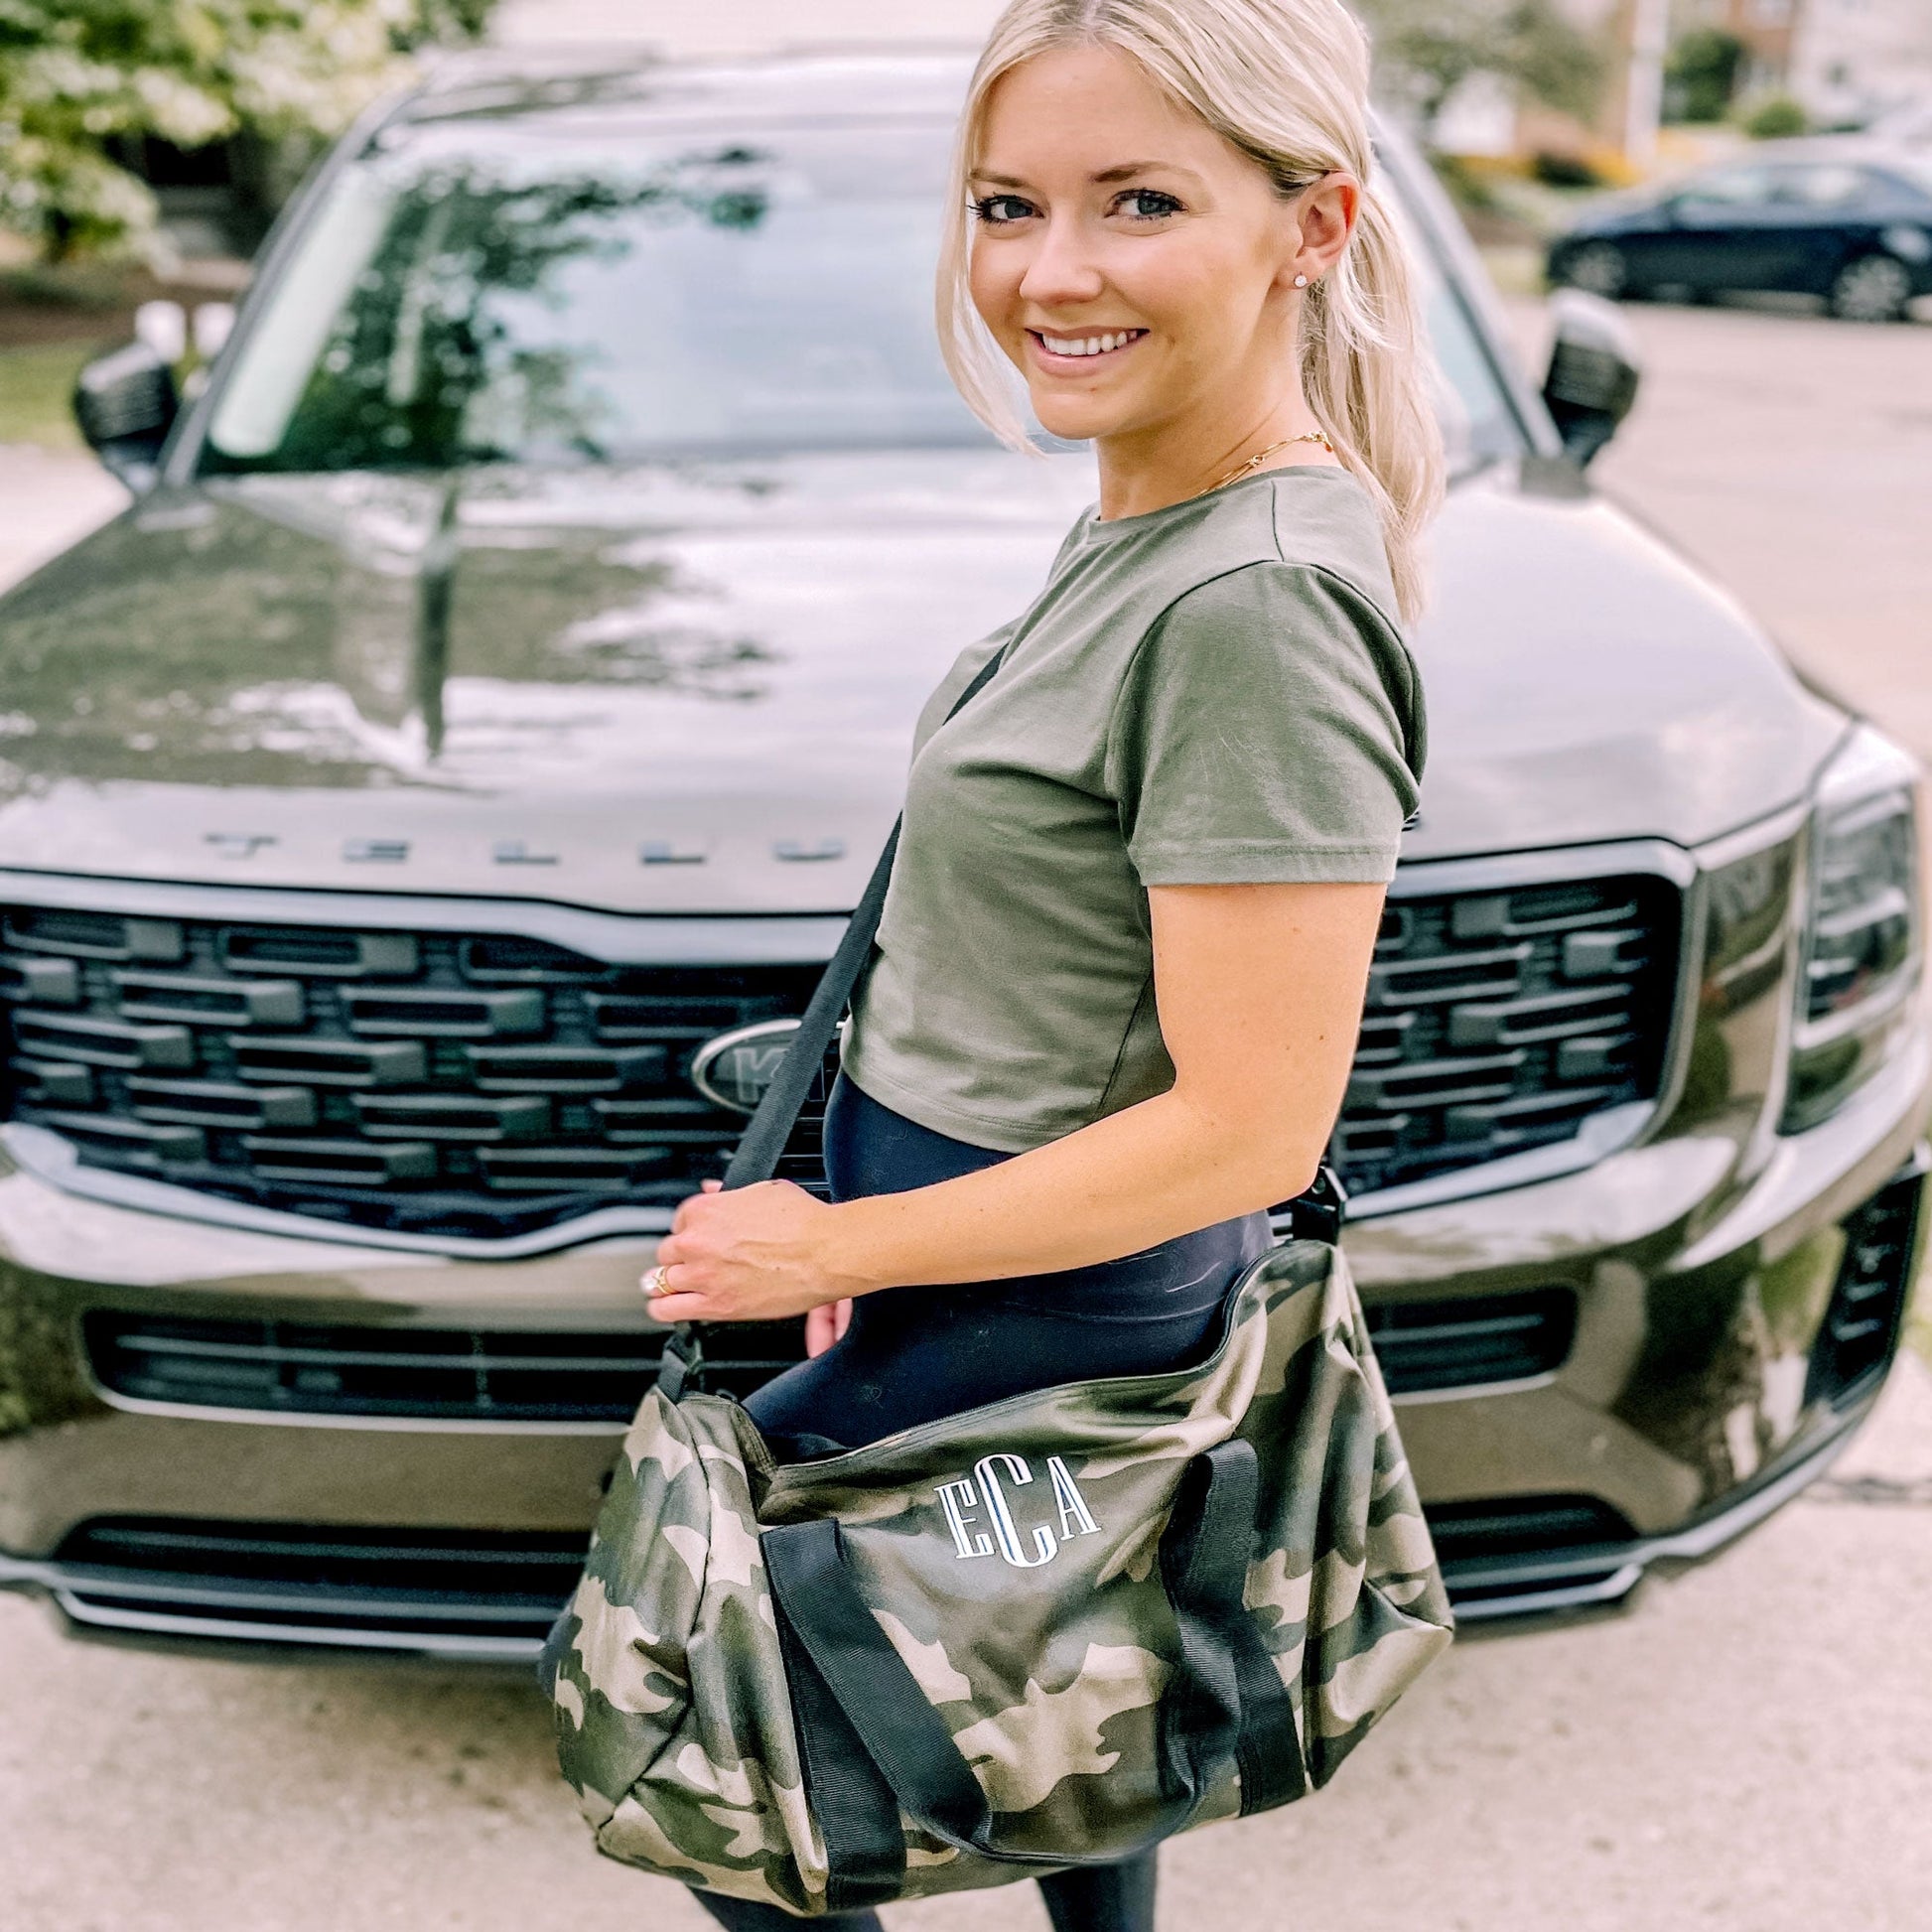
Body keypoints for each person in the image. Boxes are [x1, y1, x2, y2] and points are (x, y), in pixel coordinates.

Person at [641, 2, 1442, 1926]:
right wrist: (866, 1203)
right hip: (969, 1271)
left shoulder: (1251, 600)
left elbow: (1253, 1123)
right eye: (1009, 202)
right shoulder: (1153, 512)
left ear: (1309, 224)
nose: (1048, 270)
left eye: (1138, 200)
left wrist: (829, 1252)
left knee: (749, 1794)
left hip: (1046, 1313)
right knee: (1082, 1712)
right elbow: (1051, 956)